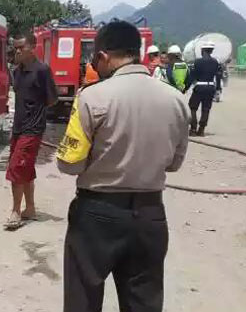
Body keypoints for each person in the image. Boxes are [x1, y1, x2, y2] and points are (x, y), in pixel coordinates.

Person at [56, 21, 190, 312]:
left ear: (103, 56)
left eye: (95, 58)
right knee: (143, 302)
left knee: (83, 299)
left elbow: (69, 163)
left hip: (97, 215)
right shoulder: (177, 100)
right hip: (151, 216)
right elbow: (175, 164)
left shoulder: (91, 97)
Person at [5, 31, 58, 230]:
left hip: (32, 129)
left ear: (32, 47)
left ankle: (15, 212)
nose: (18, 51)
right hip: (18, 128)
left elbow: (52, 99)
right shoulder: (17, 72)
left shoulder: (42, 70)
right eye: (16, 48)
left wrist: (36, 110)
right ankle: (31, 209)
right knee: (25, 168)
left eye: (22, 47)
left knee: (16, 168)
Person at [184, 42, 222, 136]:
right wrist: (218, 89)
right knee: (206, 109)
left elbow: (192, 77)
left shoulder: (197, 62)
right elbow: (218, 76)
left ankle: (193, 129)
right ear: (211, 51)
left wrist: (185, 88)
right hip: (210, 87)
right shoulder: (215, 62)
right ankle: (201, 130)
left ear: (203, 50)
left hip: (199, 87)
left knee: (192, 107)